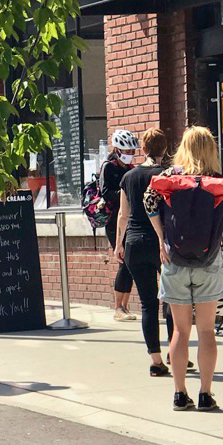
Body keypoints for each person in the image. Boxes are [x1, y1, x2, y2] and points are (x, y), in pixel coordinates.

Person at [145, 125, 223, 412]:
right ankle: (205, 394)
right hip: (208, 261)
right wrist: (213, 244)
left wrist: (162, 240)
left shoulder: (168, 179)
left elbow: (148, 202)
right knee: (207, 331)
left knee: (180, 332)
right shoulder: (220, 183)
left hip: (174, 260)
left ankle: (179, 394)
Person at [115, 128, 178, 376]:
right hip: (163, 245)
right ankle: (175, 352)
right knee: (173, 300)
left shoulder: (129, 177)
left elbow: (123, 214)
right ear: (165, 149)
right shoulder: (168, 176)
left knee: (147, 303)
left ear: (143, 149)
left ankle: (155, 360)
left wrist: (119, 243)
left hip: (134, 242)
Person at [101, 130, 138, 321]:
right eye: (126, 149)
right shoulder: (109, 167)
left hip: (129, 219)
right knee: (124, 261)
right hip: (114, 220)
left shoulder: (131, 168)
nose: (130, 153)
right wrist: (125, 196)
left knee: (130, 263)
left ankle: (124, 305)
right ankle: (118, 307)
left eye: (132, 150)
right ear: (117, 149)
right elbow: (105, 192)